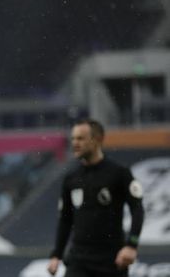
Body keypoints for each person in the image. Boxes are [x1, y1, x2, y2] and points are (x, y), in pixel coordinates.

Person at [47, 119, 144, 277]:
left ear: (97, 140)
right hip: (79, 261)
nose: (75, 143)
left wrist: (131, 245)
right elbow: (65, 219)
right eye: (73, 139)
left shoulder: (119, 173)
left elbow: (137, 209)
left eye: (80, 138)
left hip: (111, 261)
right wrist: (56, 254)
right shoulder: (71, 178)